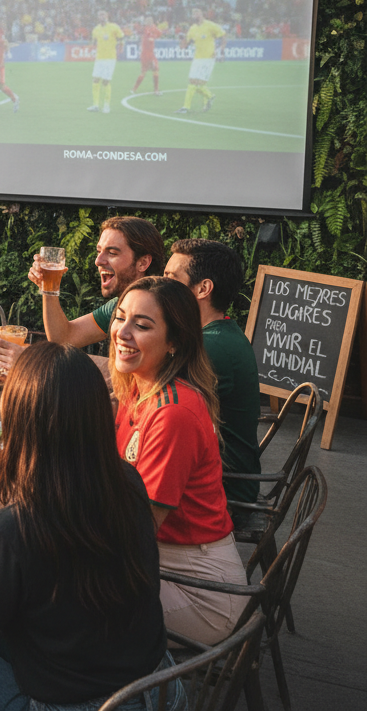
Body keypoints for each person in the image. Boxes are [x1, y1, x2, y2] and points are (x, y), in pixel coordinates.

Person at [0, 342, 181, 711]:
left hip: (81, 705)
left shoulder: (10, 532)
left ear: (22, 423)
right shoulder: (125, 481)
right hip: (159, 689)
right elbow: (47, 519)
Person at [110, 276, 248, 644]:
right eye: (120, 317)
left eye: (141, 325)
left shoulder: (173, 413)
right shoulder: (138, 388)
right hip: (161, 562)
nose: (121, 332)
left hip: (200, 592)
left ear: (175, 342)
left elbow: (137, 531)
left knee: (48, 606)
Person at [164, 238, 262, 512]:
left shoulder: (211, 347)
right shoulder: (217, 334)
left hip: (222, 494)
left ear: (203, 289)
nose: (161, 286)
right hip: (220, 479)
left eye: (171, 278)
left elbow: (152, 401)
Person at [0, 217, 164, 371]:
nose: (98, 261)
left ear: (143, 263)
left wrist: (34, 363)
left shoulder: (161, 308)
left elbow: (130, 374)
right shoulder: (118, 306)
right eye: (99, 251)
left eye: (112, 253)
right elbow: (63, 338)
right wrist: (49, 287)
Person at [176, 7, 225, 114]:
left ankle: (188, 106)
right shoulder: (192, 28)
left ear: (202, 14)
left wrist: (221, 50)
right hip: (197, 58)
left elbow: (223, 35)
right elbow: (185, 45)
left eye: (197, 12)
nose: (195, 14)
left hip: (208, 58)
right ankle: (208, 97)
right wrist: (182, 40)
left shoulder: (210, 25)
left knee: (198, 84)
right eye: (193, 13)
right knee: (193, 83)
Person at [88, 9, 123, 113]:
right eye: (99, 15)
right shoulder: (96, 29)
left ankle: (106, 106)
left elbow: (121, 39)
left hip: (110, 58)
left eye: (103, 14)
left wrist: (120, 48)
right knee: (95, 80)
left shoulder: (114, 27)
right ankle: (95, 105)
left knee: (106, 81)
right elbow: (93, 42)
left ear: (107, 15)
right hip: (99, 58)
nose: (101, 16)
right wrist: (92, 49)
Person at [131, 16, 163, 96]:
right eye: (147, 20)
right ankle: (155, 90)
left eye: (149, 20)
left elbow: (159, 33)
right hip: (147, 54)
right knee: (148, 72)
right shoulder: (145, 29)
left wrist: (154, 33)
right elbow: (141, 31)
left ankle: (134, 89)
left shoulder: (151, 29)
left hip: (148, 54)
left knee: (151, 71)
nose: (148, 22)